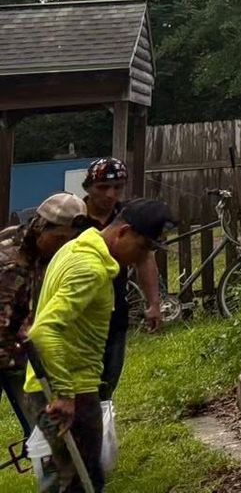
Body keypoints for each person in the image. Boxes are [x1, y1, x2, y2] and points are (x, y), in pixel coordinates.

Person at [25, 199, 175, 493]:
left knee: (70, 479)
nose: (140, 257)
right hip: (71, 391)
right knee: (80, 483)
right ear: (123, 232)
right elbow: (43, 331)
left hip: (64, 387)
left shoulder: (77, 247)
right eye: (143, 247)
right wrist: (66, 395)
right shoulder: (90, 269)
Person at [0, 195, 89, 437]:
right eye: (58, 237)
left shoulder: (56, 257)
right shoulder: (8, 254)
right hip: (9, 348)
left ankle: (54, 465)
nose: (63, 245)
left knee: (44, 428)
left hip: (24, 353)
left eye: (69, 239)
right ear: (40, 227)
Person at [76, 160, 161, 400]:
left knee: (106, 385)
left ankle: (99, 430)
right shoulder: (74, 217)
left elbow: (145, 259)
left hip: (114, 312)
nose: (111, 194)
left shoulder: (128, 218)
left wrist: (153, 302)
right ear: (89, 187)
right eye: (103, 187)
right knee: (78, 388)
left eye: (118, 187)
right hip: (78, 313)